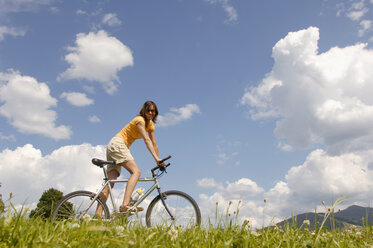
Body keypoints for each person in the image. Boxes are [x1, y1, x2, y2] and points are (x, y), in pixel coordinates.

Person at [95, 100, 163, 216]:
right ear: (144, 111)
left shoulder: (150, 125)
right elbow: (146, 140)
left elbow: (154, 143)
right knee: (136, 172)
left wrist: (158, 160)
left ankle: (97, 215)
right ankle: (125, 205)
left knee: (110, 182)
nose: (151, 113)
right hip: (118, 144)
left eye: (153, 111)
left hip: (114, 145)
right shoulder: (140, 121)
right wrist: (156, 159)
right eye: (148, 110)